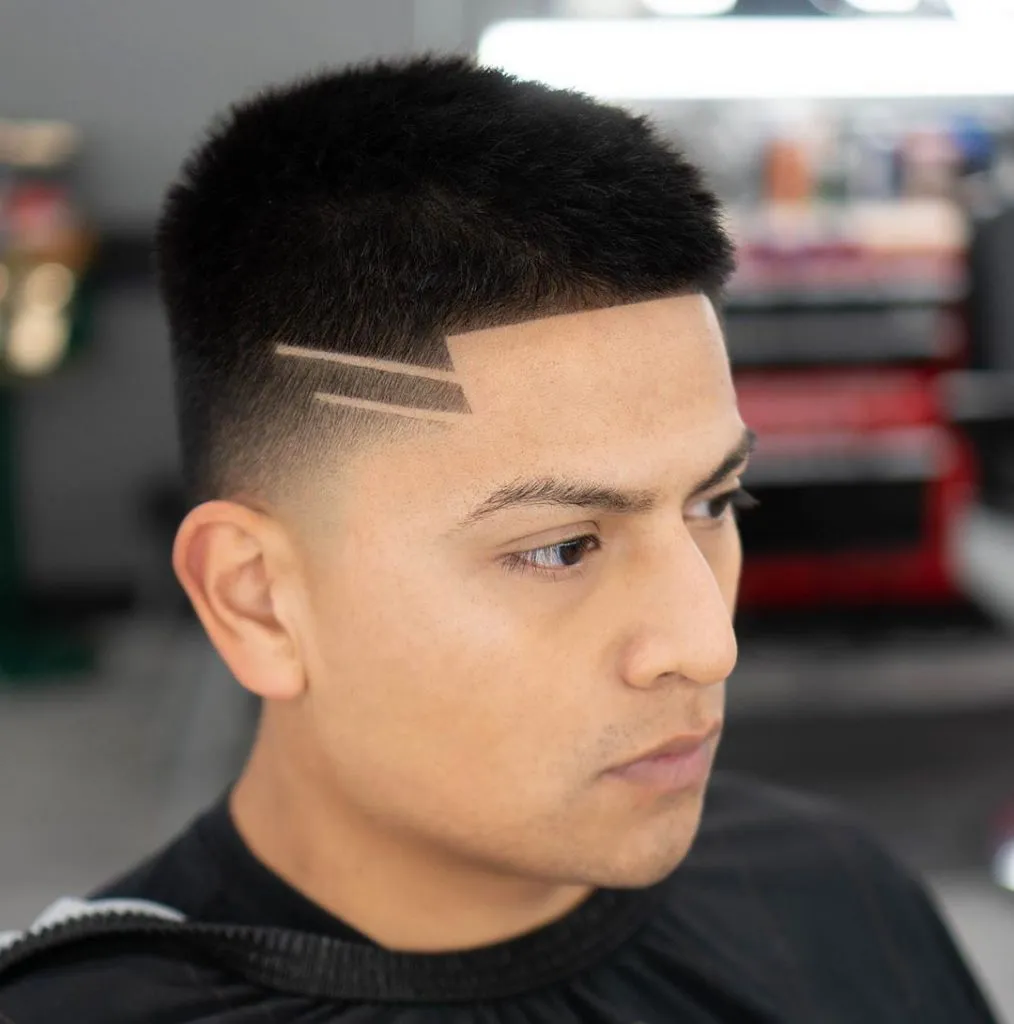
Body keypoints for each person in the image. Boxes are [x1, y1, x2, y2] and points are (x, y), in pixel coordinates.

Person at [0, 54, 1001, 1023]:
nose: (707, 643)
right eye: (562, 547)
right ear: (258, 598)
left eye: (713, 504)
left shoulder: (836, 896)